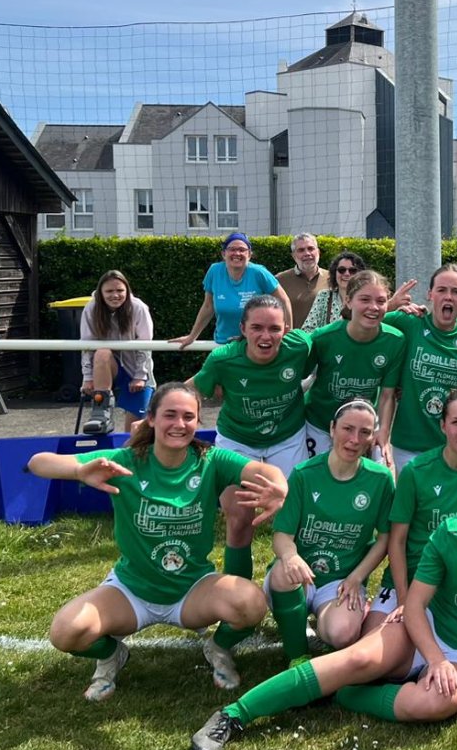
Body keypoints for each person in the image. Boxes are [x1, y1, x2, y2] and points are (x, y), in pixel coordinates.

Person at [189, 456, 457, 750]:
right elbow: (415, 605)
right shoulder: (450, 533)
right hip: (428, 627)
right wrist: (434, 658)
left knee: (433, 704)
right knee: (358, 658)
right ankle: (233, 715)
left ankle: (346, 694)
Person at [26, 383, 288, 700]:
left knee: (251, 604)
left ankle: (218, 648)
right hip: (131, 591)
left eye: (188, 417)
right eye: (170, 415)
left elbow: (265, 470)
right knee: (66, 632)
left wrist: (279, 488)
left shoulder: (211, 461)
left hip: (191, 589)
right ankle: (111, 656)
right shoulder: (124, 461)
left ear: (198, 421)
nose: (179, 424)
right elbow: (38, 462)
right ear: (151, 418)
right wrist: (81, 470)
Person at [188, 294, 313, 584]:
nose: (266, 336)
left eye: (274, 328)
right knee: (240, 519)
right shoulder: (223, 359)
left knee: (293, 520)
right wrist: (156, 415)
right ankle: (238, 594)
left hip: (288, 438)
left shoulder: (300, 347)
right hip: (238, 440)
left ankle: (284, 588)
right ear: (243, 329)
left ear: (286, 330)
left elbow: (339, 336)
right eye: (257, 327)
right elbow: (192, 389)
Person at [267, 399, 395, 659]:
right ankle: (297, 655)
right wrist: (291, 557)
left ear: (372, 438)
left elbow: (385, 539)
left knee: (342, 633)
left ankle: (335, 616)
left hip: (341, 581)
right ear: (332, 428)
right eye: (347, 429)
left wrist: (356, 577)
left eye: (364, 432)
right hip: (301, 577)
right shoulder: (304, 474)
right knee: (283, 572)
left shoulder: (381, 480)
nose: (354, 439)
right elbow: (281, 535)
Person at [381, 388, 457, 616]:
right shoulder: (415, 471)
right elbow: (397, 540)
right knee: (367, 633)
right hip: (414, 574)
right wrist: (405, 600)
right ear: (443, 426)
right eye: (456, 422)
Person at [383, 262, 457, 473]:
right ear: (430, 294)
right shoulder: (410, 322)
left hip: (455, 445)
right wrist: (390, 305)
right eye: (441, 290)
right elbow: (355, 319)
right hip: (409, 444)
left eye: (456, 291)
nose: (448, 297)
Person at [304, 270, 406, 461]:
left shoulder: (395, 341)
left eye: (381, 301)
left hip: (362, 427)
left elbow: (387, 395)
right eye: (365, 300)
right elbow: (299, 376)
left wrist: (383, 432)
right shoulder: (323, 337)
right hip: (319, 425)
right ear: (348, 301)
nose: (373, 307)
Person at [172, 232, 291, 346]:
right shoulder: (214, 271)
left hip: (254, 345)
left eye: (242, 250)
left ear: (249, 254)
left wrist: (288, 334)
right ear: (224, 254)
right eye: (232, 249)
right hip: (223, 344)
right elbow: (208, 306)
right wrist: (192, 336)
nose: (237, 253)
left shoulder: (259, 272)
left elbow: (284, 300)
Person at [78, 269, 155, 435]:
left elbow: (145, 345)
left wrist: (140, 376)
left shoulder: (138, 308)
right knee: (101, 352)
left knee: (134, 432)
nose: (115, 295)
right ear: (101, 292)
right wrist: (88, 377)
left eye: (120, 290)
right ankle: (101, 413)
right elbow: (87, 345)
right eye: (109, 291)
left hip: (134, 370)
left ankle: (128, 450)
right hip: (107, 367)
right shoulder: (91, 308)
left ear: (127, 290)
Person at [276, 232, 331, 330]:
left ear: (318, 252)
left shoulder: (332, 278)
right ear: (293, 255)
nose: (307, 254)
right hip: (294, 338)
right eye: (301, 250)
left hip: (325, 338)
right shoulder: (280, 280)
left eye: (311, 248)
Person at [302, 250, 367, 332]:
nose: (347, 274)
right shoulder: (324, 296)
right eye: (341, 270)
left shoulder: (367, 299)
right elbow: (307, 329)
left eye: (352, 270)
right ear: (334, 273)